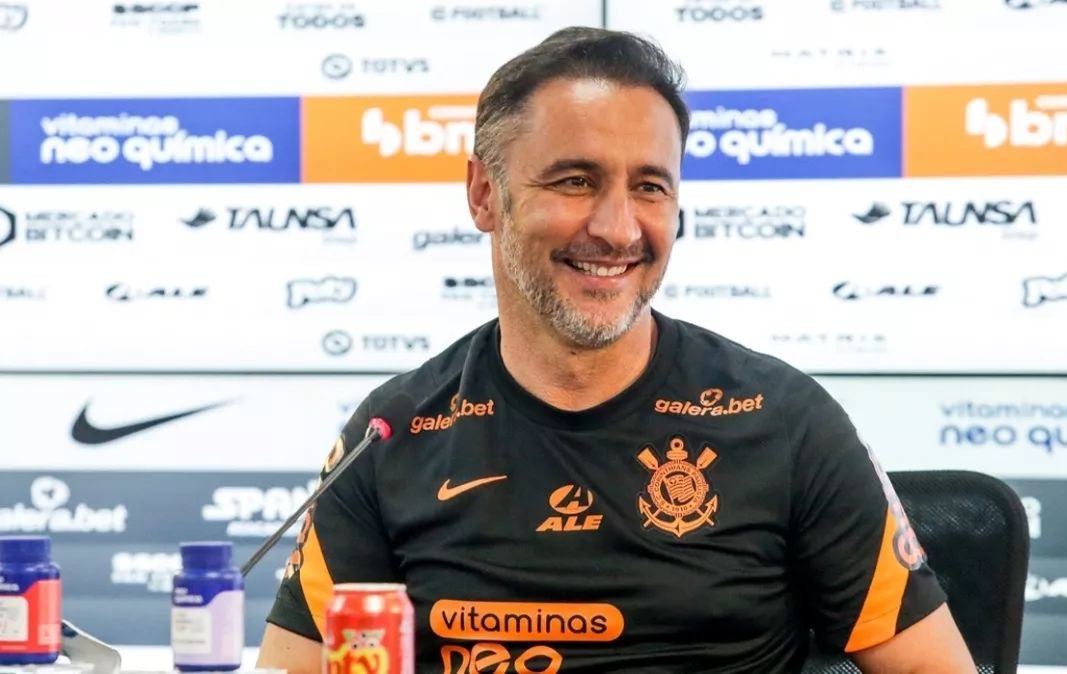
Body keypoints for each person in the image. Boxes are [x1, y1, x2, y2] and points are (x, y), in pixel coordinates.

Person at [258, 27, 976, 674]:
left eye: (650, 187)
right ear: (483, 194)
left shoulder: (786, 420)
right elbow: (294, 667)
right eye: (576, 181)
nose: (619, 229)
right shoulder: (392, 431)